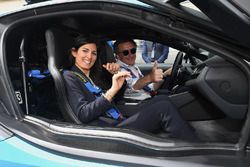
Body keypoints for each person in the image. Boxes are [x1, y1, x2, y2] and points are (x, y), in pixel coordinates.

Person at [63, 35, 197, 141]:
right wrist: (112, 91)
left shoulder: (92, 74)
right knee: (164, 108)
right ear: (74, 52)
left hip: (115, 119)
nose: (89, 57)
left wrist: (117, 79)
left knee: (162, 100)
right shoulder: (70, 76)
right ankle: (195, 150)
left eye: (94, 53)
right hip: (107, 132)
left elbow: (117, 98)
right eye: (85, 51)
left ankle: (187, 135)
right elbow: (83, 114)